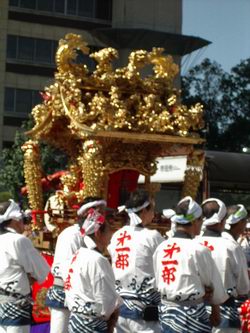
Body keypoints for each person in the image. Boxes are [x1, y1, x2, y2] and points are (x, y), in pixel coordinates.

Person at [153, 196, 227, 333]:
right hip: (191, 316)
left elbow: (157, 281)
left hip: (165, 312)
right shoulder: (198, 249)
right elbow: (212, 284)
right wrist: (215, 309)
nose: (202, 224)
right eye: (200, 220)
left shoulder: (161, 247)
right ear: (194, 221)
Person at [45, 197, 107, 333]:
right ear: (89, 214)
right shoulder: (71, 235)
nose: (103, 217)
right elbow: (66, 269)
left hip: (80, 295)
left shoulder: (89, 236)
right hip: (65, 293)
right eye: (100, 213)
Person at [108, 189, 164, 333]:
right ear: (145, 210)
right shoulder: (152, 236)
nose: (154, 213)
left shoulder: (117, 235)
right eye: (153, 208)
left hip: (119, 308)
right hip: (144, 313)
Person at [65, 208, 121, 333]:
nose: (110, 234)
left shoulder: (78, 254)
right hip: (91, 324)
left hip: (75, 320)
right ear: (98, 233)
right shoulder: (97, 259)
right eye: (108, 230)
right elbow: (106, 299)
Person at [200, 198, 250, 333]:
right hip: (224, 311)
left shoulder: (194, 242)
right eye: (245, 221)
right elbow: (243, 287)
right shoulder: (230, 246)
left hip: (195, 312)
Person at [0, 199, 50, 333]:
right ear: (15, 220)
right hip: (15, 306)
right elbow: (42, 271)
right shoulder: (18, 240)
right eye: (22, 219)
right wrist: (28, 277)